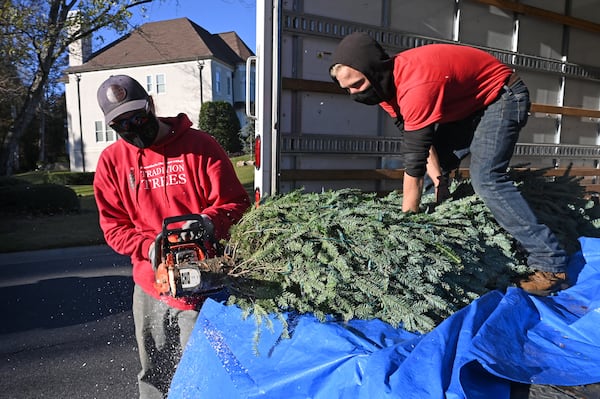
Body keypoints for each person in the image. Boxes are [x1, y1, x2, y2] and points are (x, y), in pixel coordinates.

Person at [329, 32, 569, 296]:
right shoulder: (384, 89)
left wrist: (406, 223)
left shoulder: (415, 84)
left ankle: (551, 264)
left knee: (487, 178)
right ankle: (443, 237)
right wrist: (440, 178)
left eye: (356, 84)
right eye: (346, 88)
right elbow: (418, 137)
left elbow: (415, 160)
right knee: (439, 165)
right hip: (469, 104)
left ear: (373, 71)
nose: (353, 93)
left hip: (501, 95)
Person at [94, 74, 251, 398]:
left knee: (204, 370)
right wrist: (149, 246)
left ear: (151, 105)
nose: (132, 129)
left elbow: (236, 203)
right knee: (153, 374)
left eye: (137, 118)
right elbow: (113, 226)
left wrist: (209, 222)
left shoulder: (199, 146)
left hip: (203, 284)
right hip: (150, 284)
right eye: (121, 125)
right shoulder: (112, 162)